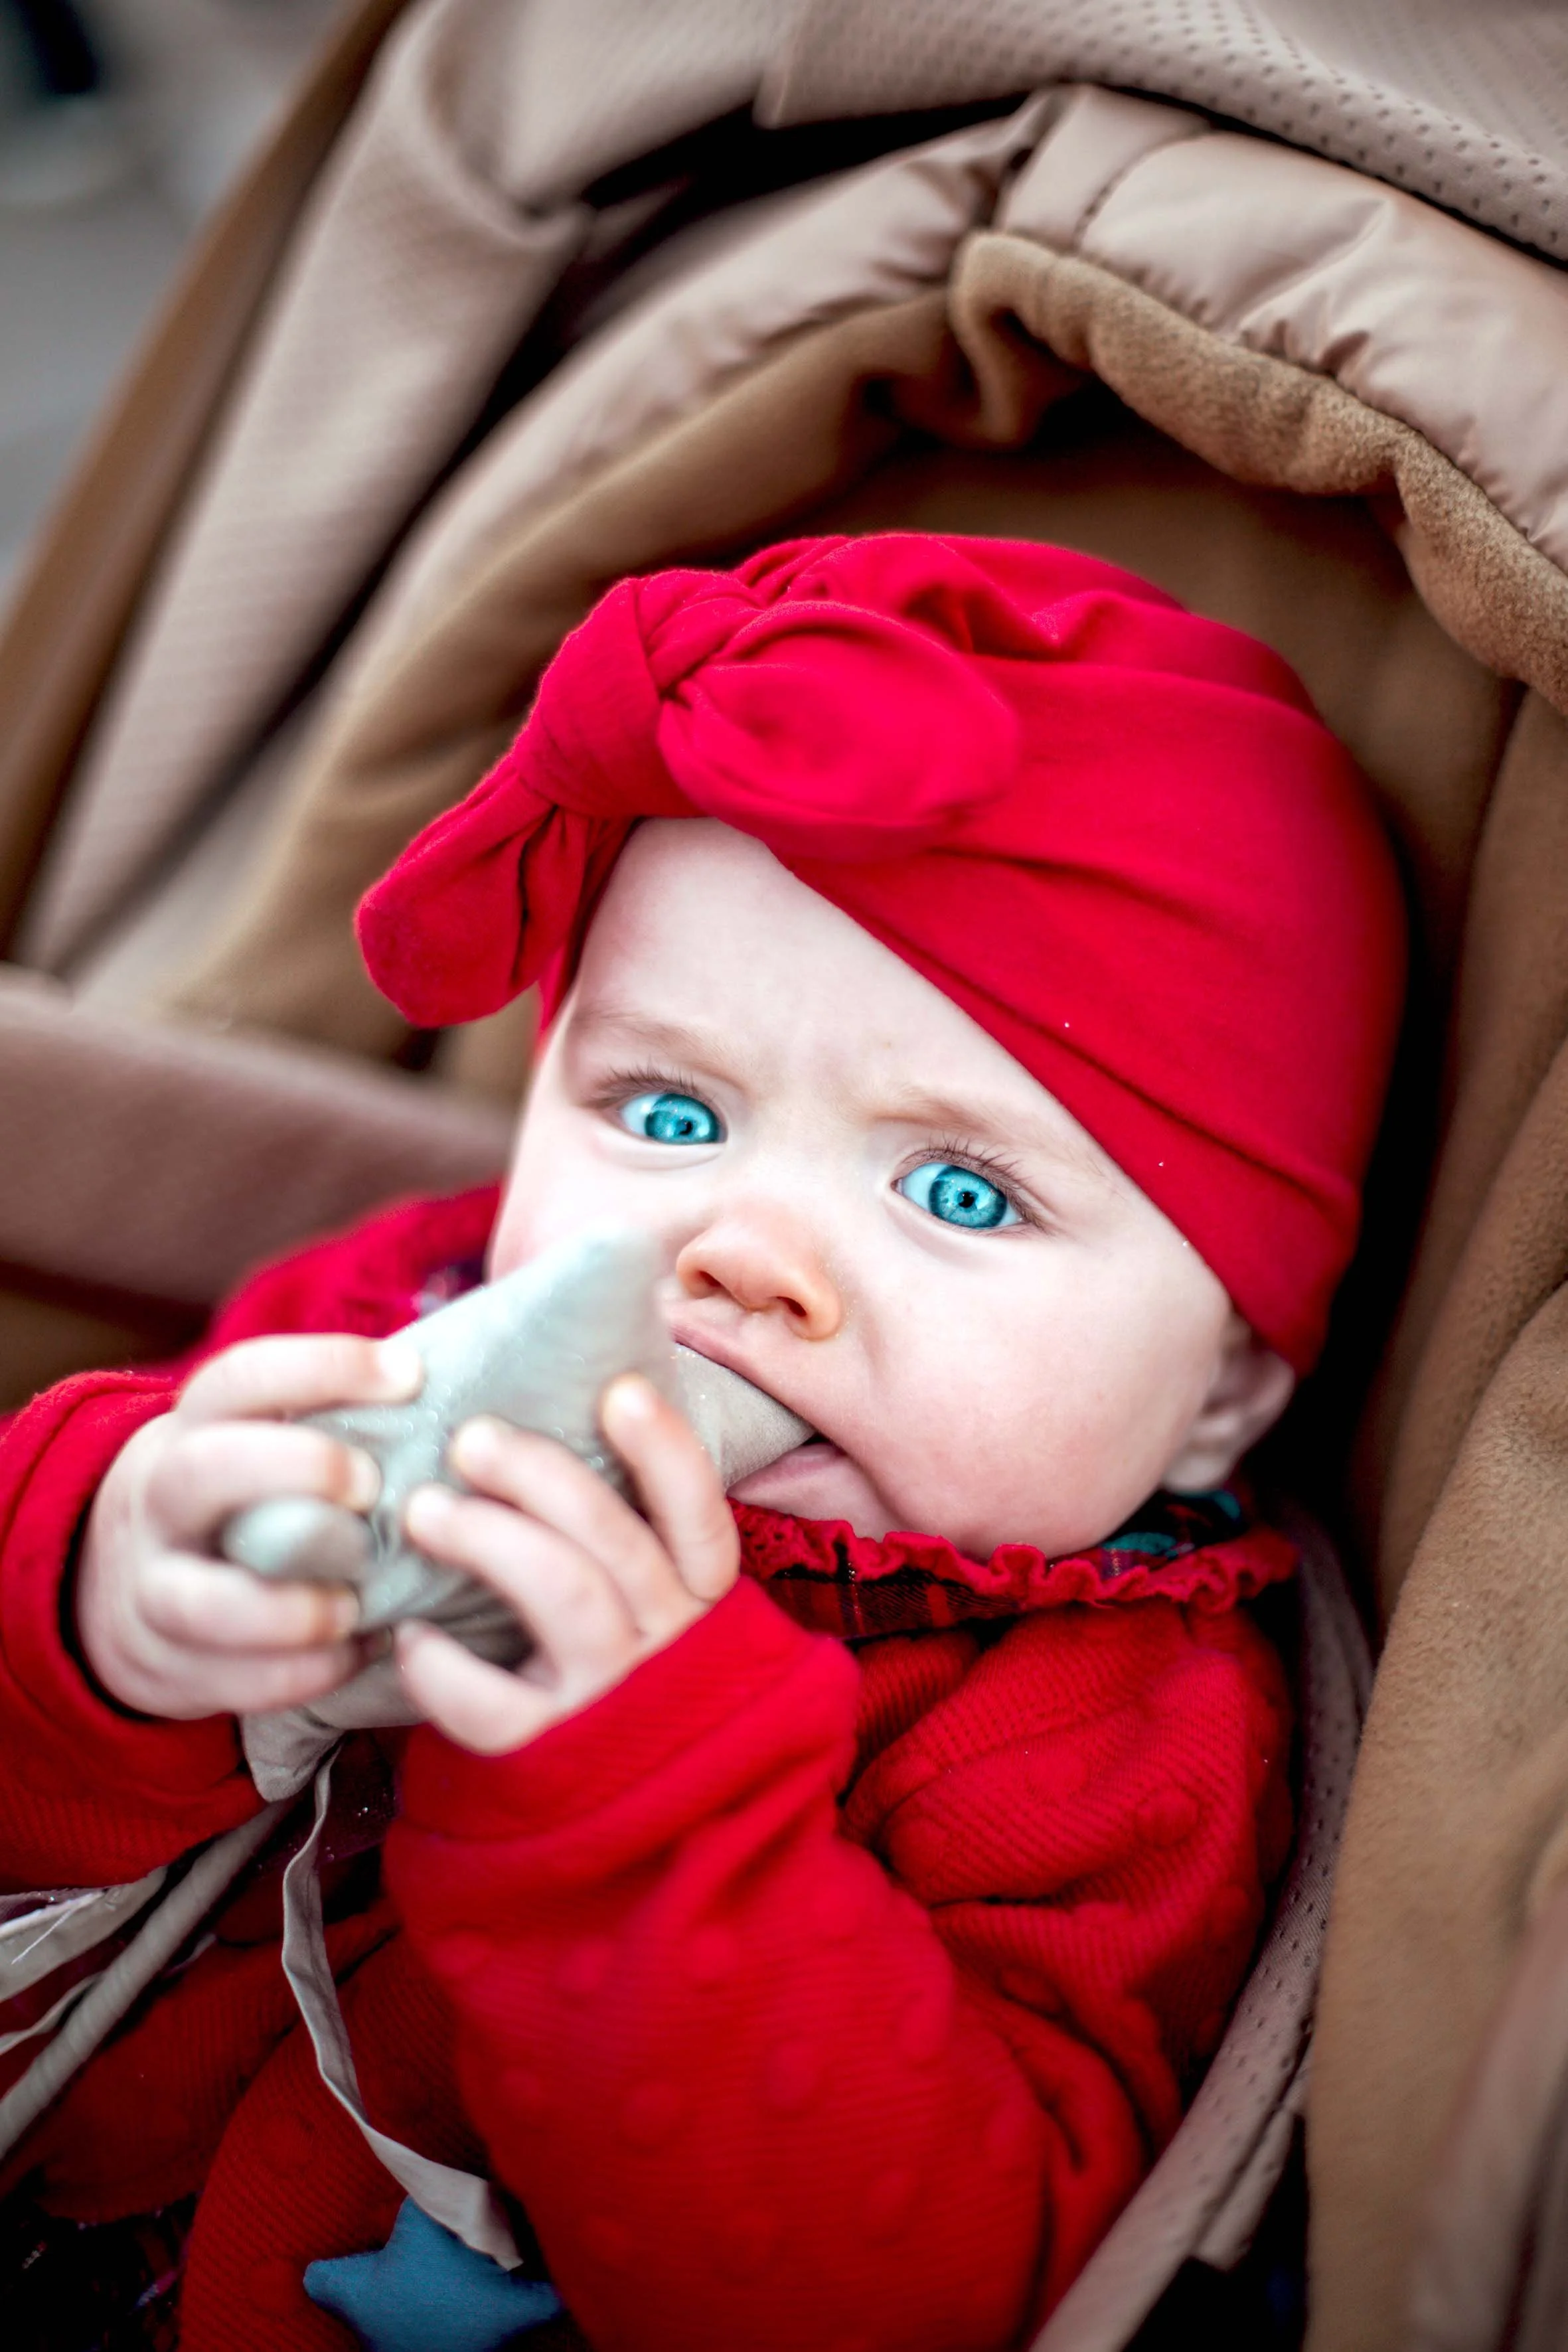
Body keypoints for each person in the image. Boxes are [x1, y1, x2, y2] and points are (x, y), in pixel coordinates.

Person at [0, 534, 1405, 2352]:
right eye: (668, 1109)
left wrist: (638, 1811)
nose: (743, 1250)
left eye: (962, 1188)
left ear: (1221, 1386)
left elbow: (924, 2292)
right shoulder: (391, 1327)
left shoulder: (1120, 1743)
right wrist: (102, 1598)